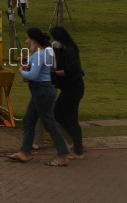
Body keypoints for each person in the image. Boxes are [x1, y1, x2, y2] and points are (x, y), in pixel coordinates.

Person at [8, 28, 70, 167]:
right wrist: (24, 61)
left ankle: (63, 155)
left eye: (27, 38)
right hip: (41, 91)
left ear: (33, 40)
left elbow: (33, 75)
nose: (26, 41)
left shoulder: (40, 54)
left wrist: (22, 71)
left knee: (49, 124)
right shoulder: (42, 53)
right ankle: (23, 153)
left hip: (42, 91)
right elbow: (32, 63)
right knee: (29, 120)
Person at [50, 26, 85, 159]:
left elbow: (73, 70)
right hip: (67, 88)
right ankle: (78, 142)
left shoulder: (70, 51)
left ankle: (78, 151)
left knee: (71, 119)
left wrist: (55, 74)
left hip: (73, 89)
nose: (54, 41)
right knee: (58, 114)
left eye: (55, 38)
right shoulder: (63, 50)